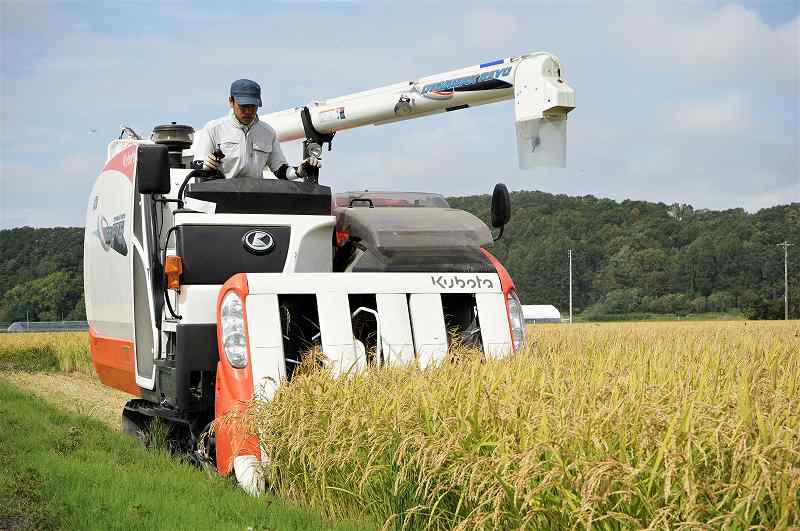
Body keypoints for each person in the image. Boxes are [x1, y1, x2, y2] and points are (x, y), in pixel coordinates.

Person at [192, 79, 319, 180]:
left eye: (252, 106)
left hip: (254, 200)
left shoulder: (268, 133)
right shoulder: (213, 129)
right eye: (243, 106)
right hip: (219, 201)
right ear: (231, 101)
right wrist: (205, 166)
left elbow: (281, 171)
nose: (248, 111)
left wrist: (300, 171)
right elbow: (195, 166)